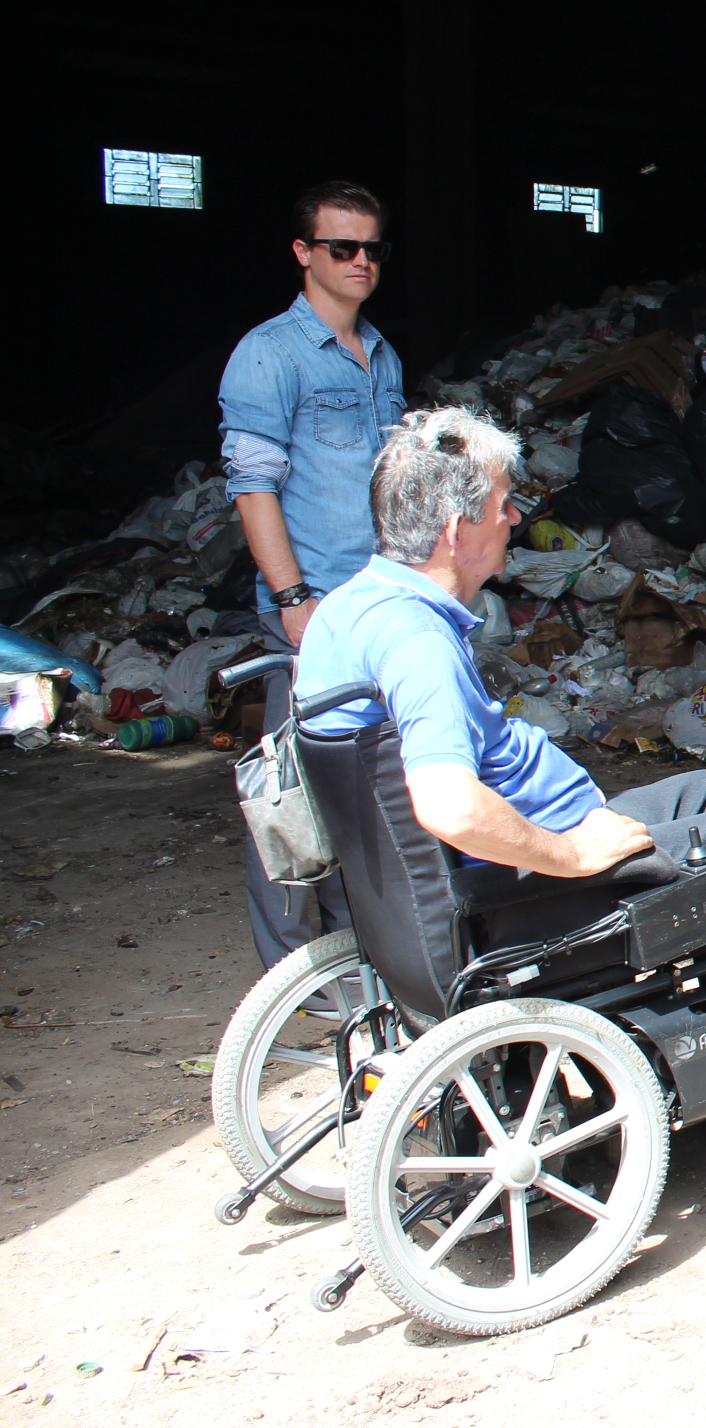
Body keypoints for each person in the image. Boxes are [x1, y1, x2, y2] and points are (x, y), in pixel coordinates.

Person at [295, 408, 706, 1118]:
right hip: (528, 896)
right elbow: (447, 805)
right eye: (503, 505)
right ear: (455, 530)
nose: (515, 518)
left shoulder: (347, 609)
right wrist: (570, 854)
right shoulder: (416, 642)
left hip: (472, 884)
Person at [218, 181, 407, 967]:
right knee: (293, 790)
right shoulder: (269, 354)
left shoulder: (382, 354)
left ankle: (362, 953)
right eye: (342, 247)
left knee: (365, 791)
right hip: (314, 604)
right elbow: (253, 488)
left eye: (372, 248)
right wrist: (292, 597)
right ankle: (295, 971)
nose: (361, 261)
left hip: (375, 601)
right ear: (304, 253)